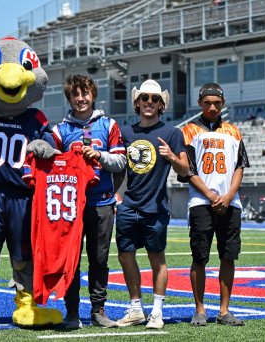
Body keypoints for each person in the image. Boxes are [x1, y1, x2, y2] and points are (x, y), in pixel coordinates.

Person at [51, 74, 126, 329]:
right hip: (71, 206)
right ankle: (72, 312)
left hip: (102, 202)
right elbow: (52, 166)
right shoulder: (60, 130)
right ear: (69, 98)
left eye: (85, 93)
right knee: (71, 260)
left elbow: (121, 162)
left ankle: (98, 310)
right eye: (75, 94)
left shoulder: (109, 125)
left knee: (100, 260)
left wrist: (100, 155)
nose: (81, 99)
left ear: (93, 95)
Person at [115, 79, 189, 329]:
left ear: (161, 105)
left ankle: (157, 312)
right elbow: (117, 169)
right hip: (128, 206)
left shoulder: (172, 133)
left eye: (155, 99)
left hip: (155, 207)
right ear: (137, 102)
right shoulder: (125, 132)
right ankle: (136, 308)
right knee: (125, 256)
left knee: (157, 258)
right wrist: (116, 195)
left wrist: (171, 157)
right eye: (145, 98)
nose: (149, 102)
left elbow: (185, 169)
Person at [181, 82, 249, 327]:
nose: (212, 107)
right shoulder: (189, 130)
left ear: (223, 104)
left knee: (228, 256)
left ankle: (224, 310)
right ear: (200, 103)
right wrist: (211, 196)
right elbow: (188, 170)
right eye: (207, 102)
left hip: (231, 203)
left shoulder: (233, 131)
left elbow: (240, 167)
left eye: (217, 103)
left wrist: (229, 195)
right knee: (200, 257)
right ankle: (200, 309)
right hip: (201, 201)